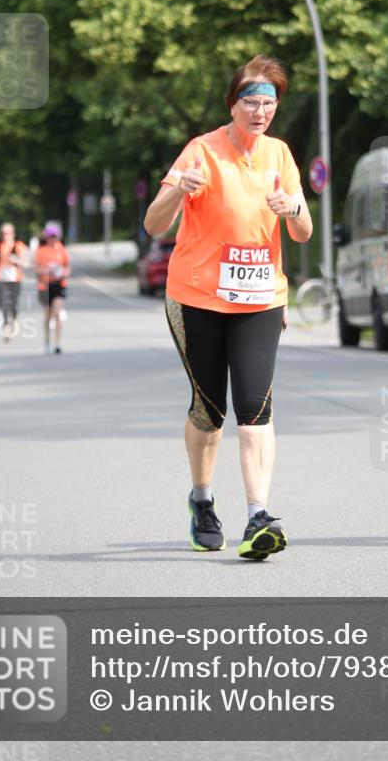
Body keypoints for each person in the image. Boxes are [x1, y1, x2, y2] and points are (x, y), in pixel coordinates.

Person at [144, 55, 313, 559]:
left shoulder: (280, 155)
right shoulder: (201, 151)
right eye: (251, 102)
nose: (260, 112)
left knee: (255, 407)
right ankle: (202, 500)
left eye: (269, 103)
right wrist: (178, 190)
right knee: (210, 409)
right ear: (232, 105)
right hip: (197, 297)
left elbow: (303, 231)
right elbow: (154, 225)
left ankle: (259, 515)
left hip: (261, 298)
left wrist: (295, 209)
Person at [34, 224, 70, 354]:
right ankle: (47, 341)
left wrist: (62, 272)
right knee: (48, 315)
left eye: (54, 236)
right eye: (50, 236)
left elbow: (67, 268)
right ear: (46, 237)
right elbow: (36, 269)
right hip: (45, 285)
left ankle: (58, 343)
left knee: (57, 313)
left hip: (59, 284)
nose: (52, 239)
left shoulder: (62, 250)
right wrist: (47, 271)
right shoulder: (41, 251)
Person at [0, 223, 29, 342]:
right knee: (4, 304)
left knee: (13, 305)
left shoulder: (19, 246)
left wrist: (16, 260)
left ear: (13, 234)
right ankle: (6, 328)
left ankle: (14, 318)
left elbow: (26, 263)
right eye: (3, 233)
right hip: (2, 279)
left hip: (16, 279)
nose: (5, 236)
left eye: (8, 233)